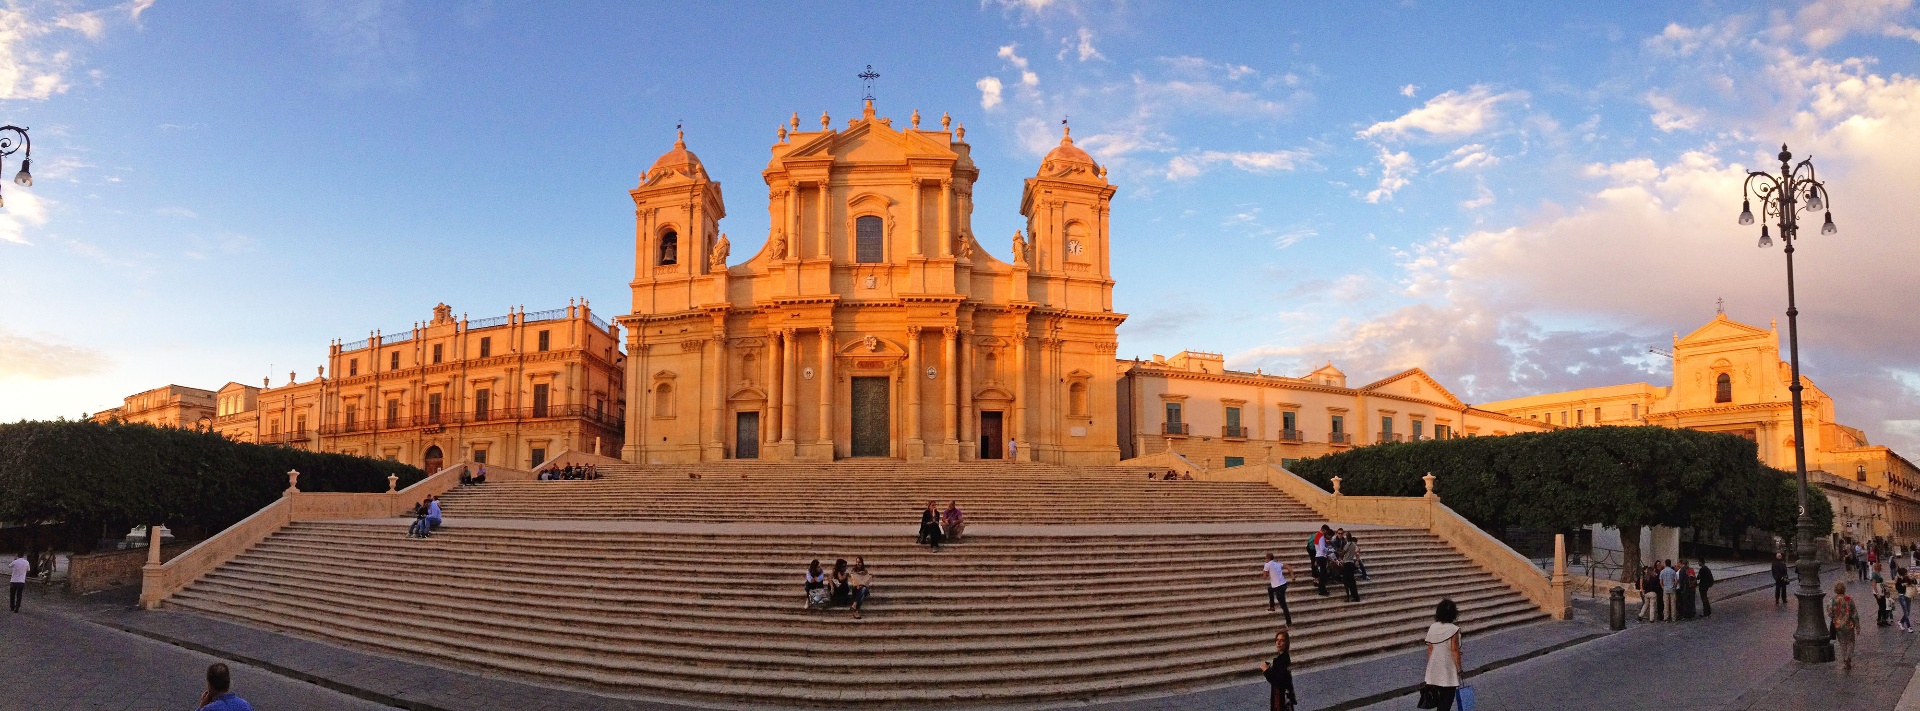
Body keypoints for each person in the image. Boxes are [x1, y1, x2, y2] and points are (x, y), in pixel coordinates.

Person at [1421, 598, 1463, 710]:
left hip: (1434, 667)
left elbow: (1430, 649)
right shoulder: (1454, 629)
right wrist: (1459, 669)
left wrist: (1430, 667)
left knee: (1439, 699)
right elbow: (1454, 650)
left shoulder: (1433, 627)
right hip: (1447, 668)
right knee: (1446, 700)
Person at [1261, 628, 1297, 711]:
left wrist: (1266, 670)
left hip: (1281, 696)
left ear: (1286, 643)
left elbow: (1276, 680)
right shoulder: (1283, 657)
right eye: (1277, 640)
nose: (1278, 643)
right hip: (1283, 694)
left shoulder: (1283, 659)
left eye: (1282, 640)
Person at [1831, 580, 1859, 670]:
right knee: (1851, 642)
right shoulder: (1849, 599)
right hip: (1849, 624)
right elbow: (1854, 613)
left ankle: (1844, 660)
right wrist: (1857, 625)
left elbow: (1830, 612)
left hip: (1838, 625)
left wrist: (1835, 617)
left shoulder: (1833, 600)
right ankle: (1848, 658)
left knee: (1842, 643)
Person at [1262, 553, 1293, 624]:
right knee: (1270, 589)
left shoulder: (1267, 565)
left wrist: (1266, 571)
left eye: (1266, 558)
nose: (1265, 560)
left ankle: (1289, 622)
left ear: (1268, 558)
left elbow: (1264, 577)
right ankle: (1272, 606)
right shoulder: (1278, 564)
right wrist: (1292, 575)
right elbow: (1288, 566)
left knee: (1283, 605)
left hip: (1278, 587)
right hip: (1283, 585)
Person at [1337, 531, 1361, 603]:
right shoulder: (1354, 544)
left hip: (1346, 564)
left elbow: (1342, 553)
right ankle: (1356, 596)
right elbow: (1357, 550)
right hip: (1351, 564)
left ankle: (1347, 597)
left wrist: (1337, 551)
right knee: (1352, 581)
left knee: (1346, 581)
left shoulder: (1347, 545)